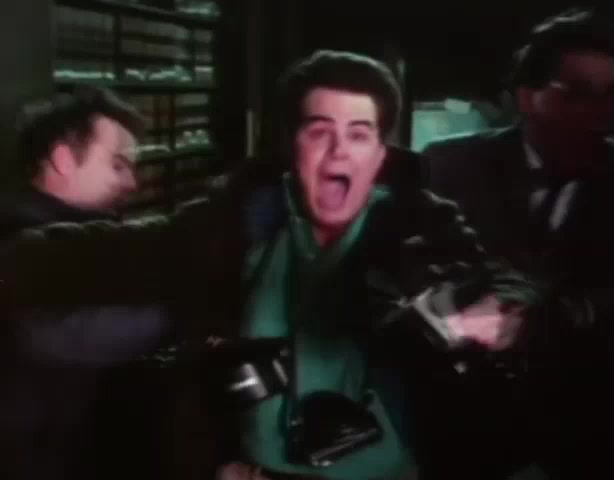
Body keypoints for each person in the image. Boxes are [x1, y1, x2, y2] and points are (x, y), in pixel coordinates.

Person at [0, 51, 543, 480]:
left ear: (380, 155)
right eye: (319, 131)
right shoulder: (237, 221)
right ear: (291, 146)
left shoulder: (418, 221)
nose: (338, 152)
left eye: (359, 134)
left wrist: (500, 312)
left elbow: (496, 278)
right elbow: (114, 250)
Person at [423, 8, 614, 478]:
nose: (602, 111)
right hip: (464, 431)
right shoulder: (450, 167)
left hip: (598, 433)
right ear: (526, 97)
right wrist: (454, 310)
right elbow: (404, 273)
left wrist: (543, 318)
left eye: (611, 94)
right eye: (578, 93)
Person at [0, 87, 173, 480]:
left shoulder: (88, 236)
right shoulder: (14, 237)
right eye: (118, 165)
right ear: (63, 160)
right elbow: (55, 328)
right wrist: (189, 312)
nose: (132, 182)